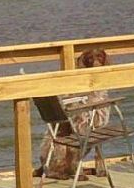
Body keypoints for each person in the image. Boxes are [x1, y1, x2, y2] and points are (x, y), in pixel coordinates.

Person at [36, 47, 112, 179]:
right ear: (84, 63)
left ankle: (92, 167)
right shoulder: (80, 91)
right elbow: (78, 133)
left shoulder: (94, 89)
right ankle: (69, 169)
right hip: (63, 142)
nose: (95, 63)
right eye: (90, 59)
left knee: (93, 134)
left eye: (99, 58)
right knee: (82, 134)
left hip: (74, 136)